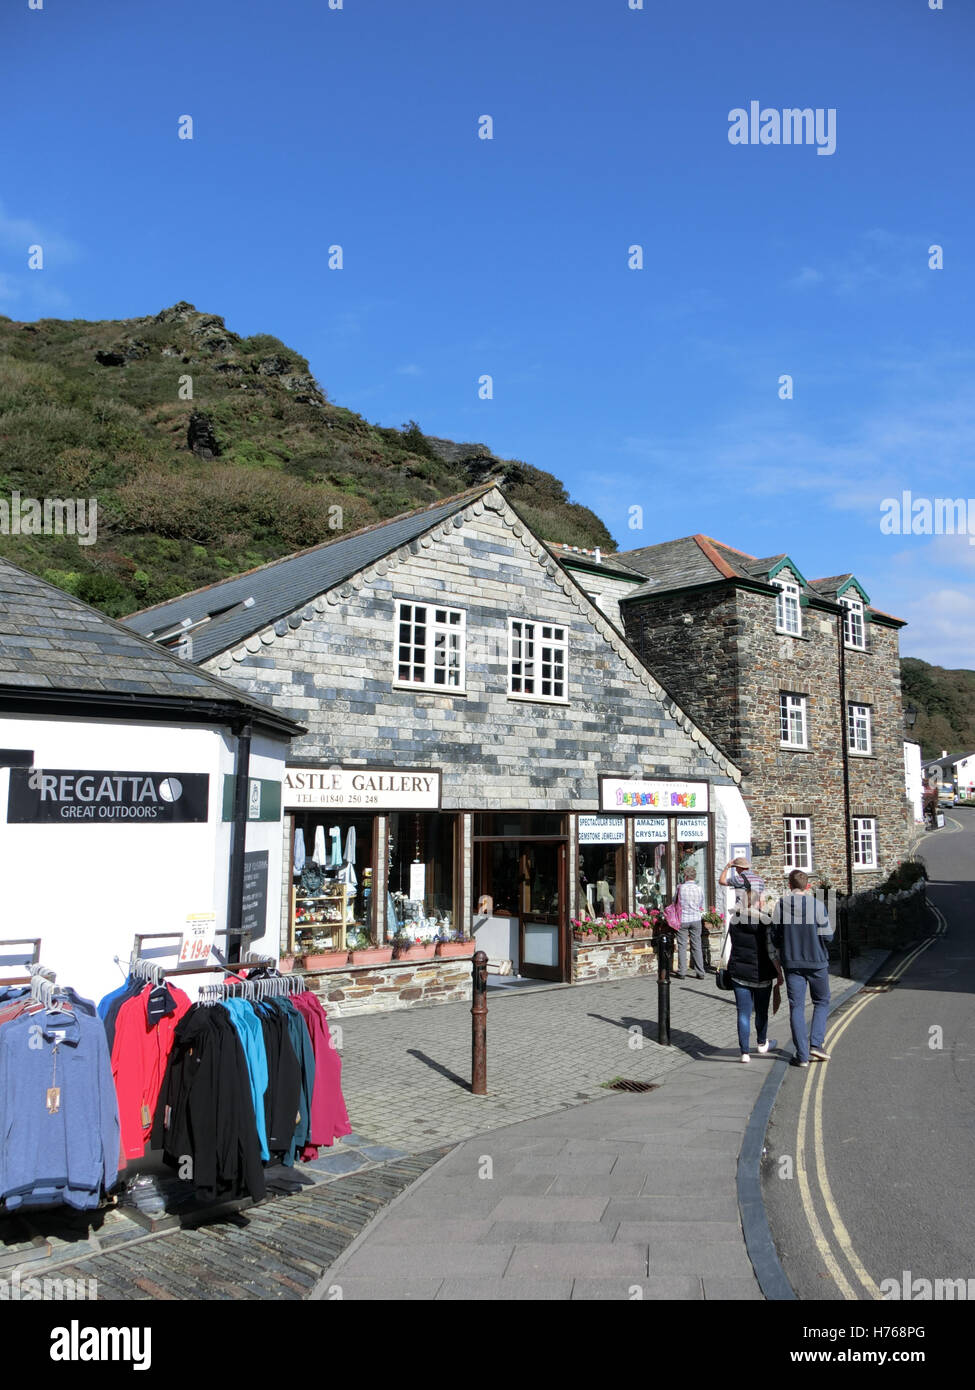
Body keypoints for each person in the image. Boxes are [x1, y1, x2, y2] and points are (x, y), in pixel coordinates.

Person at [770, 869, 834, 1067]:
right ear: (807, 886)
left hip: (792, 963)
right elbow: (828, 937)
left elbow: (774, 937)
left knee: (797, 1007)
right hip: (817, 962)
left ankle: (802, 1056)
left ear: (790, 885)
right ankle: (816, 1044)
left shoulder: (781, 905)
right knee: (822, 1001)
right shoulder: (817, 905)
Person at [727, 890, 783, 1062]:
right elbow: (772, 952)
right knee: (761, 1012)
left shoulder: (734, 920)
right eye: (761, 900)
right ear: (757, 903)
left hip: (739, 973)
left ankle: (744, 1052)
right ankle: (761, 1043)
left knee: (743, 1014)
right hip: (761, 974)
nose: (763, 903)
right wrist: (780, 973)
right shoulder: (765, 922)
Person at [672, 866, 706, 979]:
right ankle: (700, 971)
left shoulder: (680, 888)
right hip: (696, 918)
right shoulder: (699, 888)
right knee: (697, 945)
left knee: (682, 945)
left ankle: (682, 971)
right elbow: (701, 904)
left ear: (685, 876)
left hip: (683, 919)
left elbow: (675, 901)